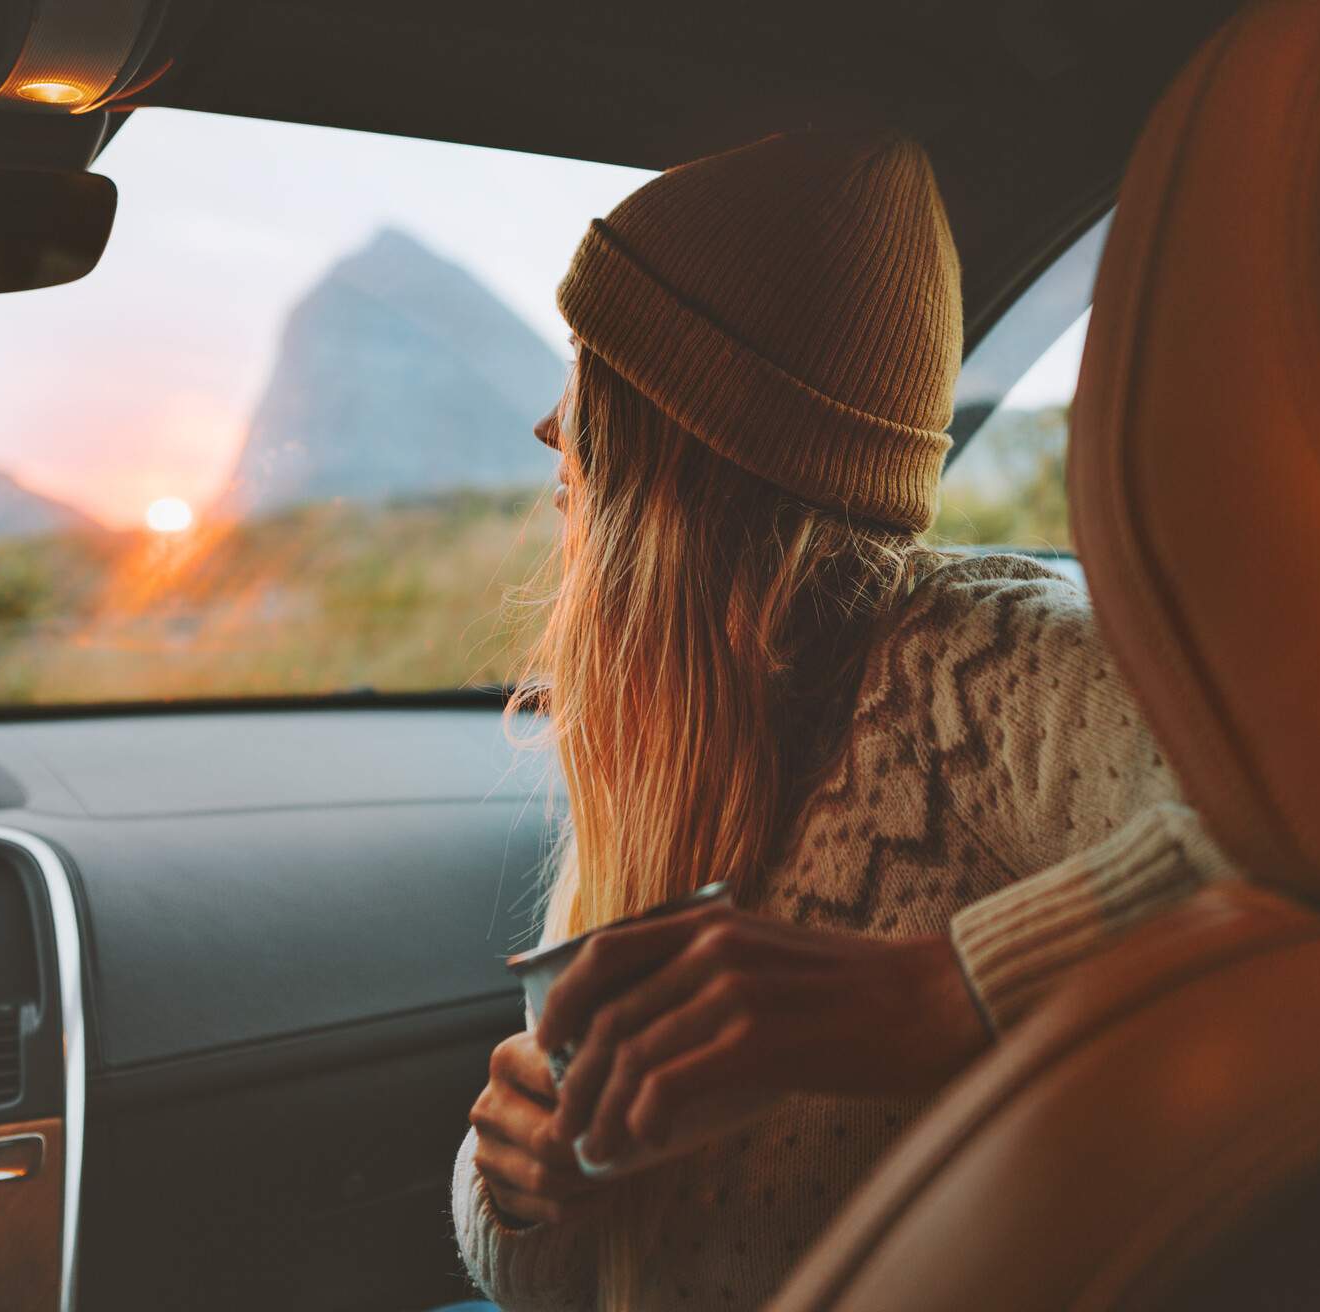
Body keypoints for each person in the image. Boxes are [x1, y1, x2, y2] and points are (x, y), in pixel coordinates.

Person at [450, 129, 1232, 1311]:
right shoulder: (679, 733)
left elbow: (1311, 828)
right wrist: (510, 1184)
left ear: (690, 431)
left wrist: (935, 995)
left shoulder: (987, 663)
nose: (553, 429)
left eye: (591, 371)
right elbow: (567, 1277)